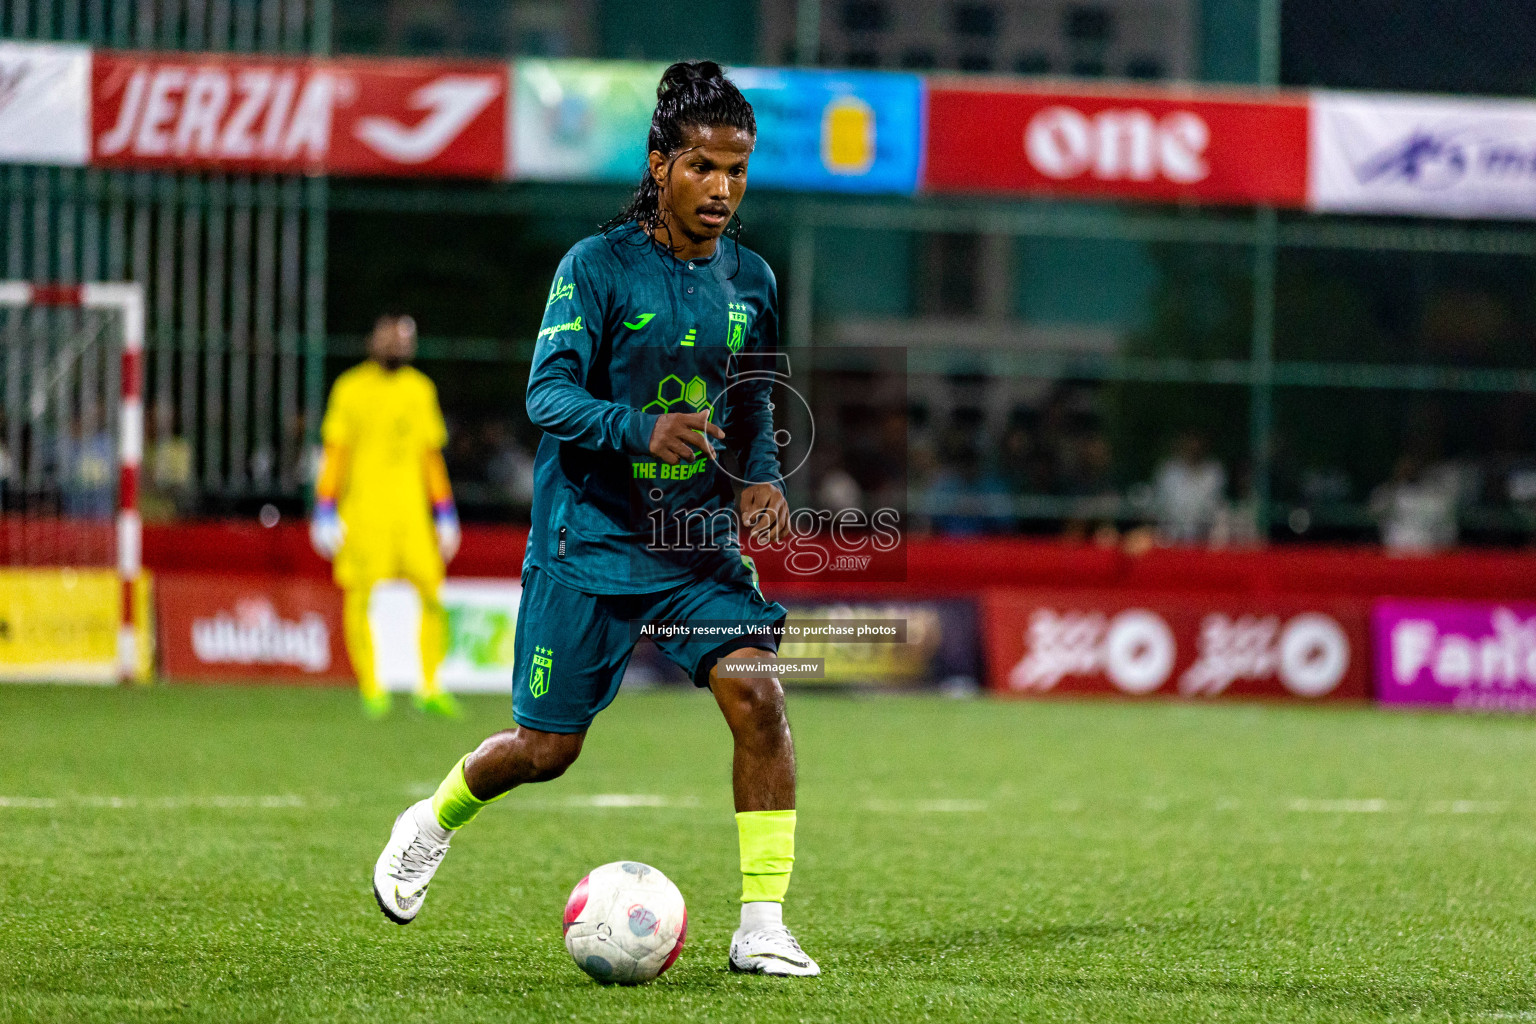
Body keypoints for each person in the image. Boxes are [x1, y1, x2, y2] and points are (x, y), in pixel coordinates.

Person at [370, 61, 819, 977]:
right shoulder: (597, 267)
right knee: (546, 750)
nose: (723, 189)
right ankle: (431, 820)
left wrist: (760, 479)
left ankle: (761, 924)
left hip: (695, 546)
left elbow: (753, 402)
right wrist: (640, 429)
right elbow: (548, 395)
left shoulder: (754, 281)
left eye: (737, 170)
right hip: (589, 541)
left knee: (761, 699)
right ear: (660, 165)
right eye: (703, 167)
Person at [310, 313, 462, 719]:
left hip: (412, 515)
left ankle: (430, 685)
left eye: (403, 340)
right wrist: (324, 507)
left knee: (432, 593)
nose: (397, 346)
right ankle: (371, 687)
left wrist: (445, 511)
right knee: (361, 597)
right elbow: (335, 454)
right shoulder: (350, 388)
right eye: (389, 338)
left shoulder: (420, 389)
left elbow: (431, 457)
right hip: (364, 513)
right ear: (372, 342)